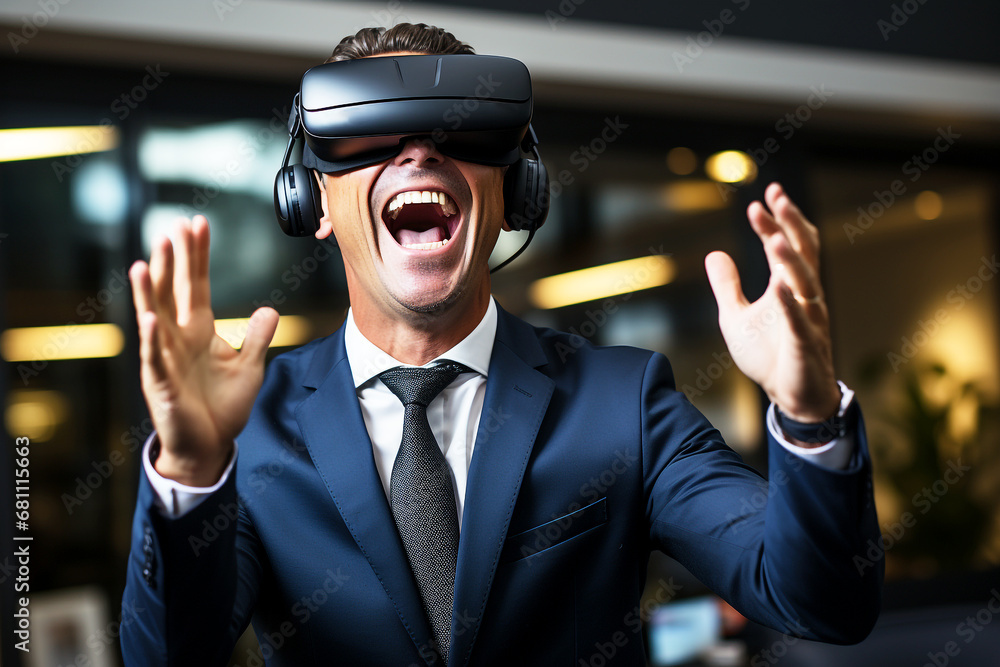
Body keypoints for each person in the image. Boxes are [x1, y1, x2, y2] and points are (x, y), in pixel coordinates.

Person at [121, 23, 882, 667]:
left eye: (458, 127)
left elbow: (823, 601)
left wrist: (811, 417)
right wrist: (190, 471)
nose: (419, 154)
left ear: (514, 193)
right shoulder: (251, 428)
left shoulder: (625, 402)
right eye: (370, 132)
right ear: (312, 199)